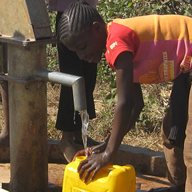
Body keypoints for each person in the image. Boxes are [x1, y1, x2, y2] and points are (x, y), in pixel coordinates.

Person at [58, 1, 192, 191]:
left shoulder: (117, 41)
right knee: (171, 131)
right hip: (186, 70)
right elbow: (137, 105)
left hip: (188, 66)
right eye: (76, 52)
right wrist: (107, 144)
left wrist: (108, 154)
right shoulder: (120, 45)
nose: (82, 56)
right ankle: (180, 186)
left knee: (191, 147)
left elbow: (124, 102)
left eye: (83, 46)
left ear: (96, 29)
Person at [47, 0, 99, 162]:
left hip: (88, 14)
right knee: (72, 80)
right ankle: (67, 138)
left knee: (89, 78)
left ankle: (79, 135)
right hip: (69, 20)